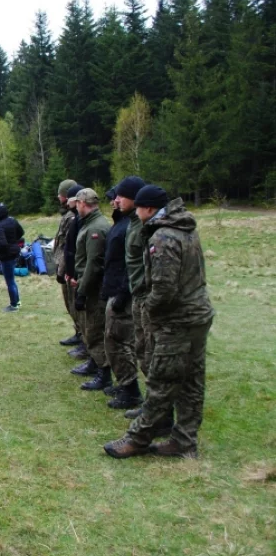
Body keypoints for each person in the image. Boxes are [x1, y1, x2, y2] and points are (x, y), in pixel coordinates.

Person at [104, 186, 214, 459]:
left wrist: (149, 310)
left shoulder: (163, 237)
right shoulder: (184, 228)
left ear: (149, 209)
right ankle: (184, 441)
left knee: (161, 380)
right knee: (190, 381)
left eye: (139, 208)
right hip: (197, 315)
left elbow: (164, 289)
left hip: (177, 320)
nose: (137, 213)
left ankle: (138, 438)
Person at [101, 180, 145, 410]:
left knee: (120, 341)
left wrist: (122, 295)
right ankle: (125, 385)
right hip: (115, 288)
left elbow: (133, 265)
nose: (115, 200)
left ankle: (131, 391)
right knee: (112, 339)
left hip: (124, 293)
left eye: (120, 196)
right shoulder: (124, 221)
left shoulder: (134, 226)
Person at [69, 188, 111, 391]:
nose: (76, 206)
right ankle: (95, 362)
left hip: (94, 288)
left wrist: (82, 290)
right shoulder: (91, 224)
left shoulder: (96, 228)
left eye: (77, 203)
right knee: (90, 327)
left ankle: (103, 373)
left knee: (95, 329)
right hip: (88, 283)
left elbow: (93, 263)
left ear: (83, 203)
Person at [119, 176, 151, 420]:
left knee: (150, 355)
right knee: (144, 352)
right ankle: (152, 406)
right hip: (137, 295)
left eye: (121, 196)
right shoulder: (131, 223)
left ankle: (156, 410)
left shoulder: (145, 228)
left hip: (144, 297)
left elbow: (145, 267)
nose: (116, 200)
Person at [63, 183, 92, 369]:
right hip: (74, 273)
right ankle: (81, 339)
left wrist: (74, 273)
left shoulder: (86, 223)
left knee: (87, 316)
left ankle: (88, 349)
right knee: (76, 311)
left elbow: (83, 254)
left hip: (81, 276)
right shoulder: (77, 220)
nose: (64, 200)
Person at [53, 179, 80, 346]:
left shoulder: (71, 218)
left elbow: (68, 246)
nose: (59, 197)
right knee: (69, 304)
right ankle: (79, 333)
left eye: (62, 194)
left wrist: (63, 271)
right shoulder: (68, 215)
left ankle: (82, 337)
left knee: (74, 304)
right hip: (64, 266)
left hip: (69, 267)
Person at [0, 202, 24, 312]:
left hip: (7, 255)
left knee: (9, 281)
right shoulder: (12, 220)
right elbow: (21, 232)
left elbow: (3, 244)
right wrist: (13, 240)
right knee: (12, 280)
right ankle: (17, 301)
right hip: (15, 252)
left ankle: (14, 305)